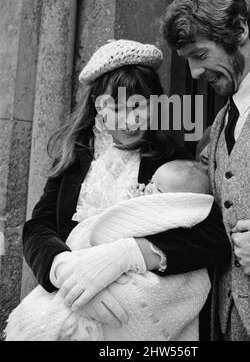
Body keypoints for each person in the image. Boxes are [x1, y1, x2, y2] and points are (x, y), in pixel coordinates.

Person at [14, 39, 230, 340]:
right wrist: (61, 270)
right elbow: (38, 227)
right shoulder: (75, 159)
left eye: (137, 106)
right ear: (97, 109)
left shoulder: (173, 162)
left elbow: (213, 237)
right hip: (71, 293)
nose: (129, 121)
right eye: (115, 108)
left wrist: (131, 253)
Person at [161, 0, 250, 341]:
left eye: (201, 55)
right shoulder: (220, 122)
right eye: (187, 60)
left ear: (239, 30)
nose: (193, 72)